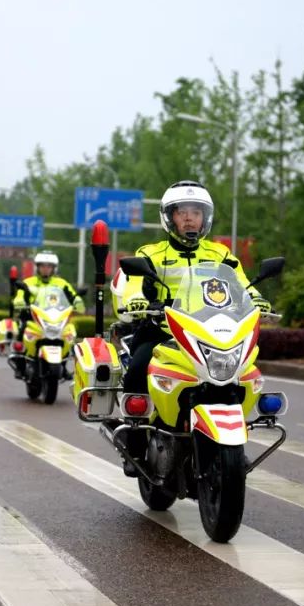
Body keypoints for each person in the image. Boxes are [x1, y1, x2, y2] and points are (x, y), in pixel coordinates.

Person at [114, 180, 271, 473]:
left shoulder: (220, 255)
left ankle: (232, 447)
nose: (189, 218)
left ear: (205, 218)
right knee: (137, 368)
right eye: (182, 212)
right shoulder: (152, 253)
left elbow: (243, 286)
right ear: (169, 217)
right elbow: (132, 283)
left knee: (238, 375)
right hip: (162, 331)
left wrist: (258, 300)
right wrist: (136, 300)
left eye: (196, 212)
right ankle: (135, 443)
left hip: (210, 333)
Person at [10, 251, 84, 374]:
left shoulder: (61, 283)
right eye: (42, 266)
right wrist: (19, 302)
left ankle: (64, 363)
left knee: (70, 331)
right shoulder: (29, 282)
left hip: (55, 316)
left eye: (49, 266)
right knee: (21, 326)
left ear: (54, 268)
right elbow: (20, 295)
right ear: (37, 267)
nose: (45, 269)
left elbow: (72, 295)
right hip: (32, 315)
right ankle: (20, 359)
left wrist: (78, 301)